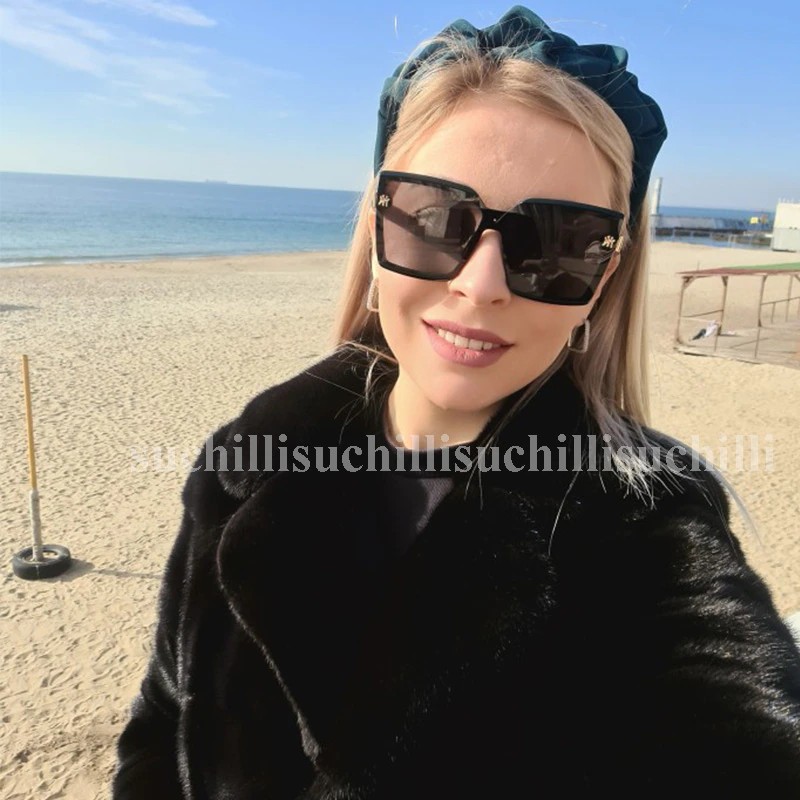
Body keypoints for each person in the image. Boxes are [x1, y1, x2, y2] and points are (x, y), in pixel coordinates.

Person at [113, 6, 800, 798]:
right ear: (378, 231)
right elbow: (162, 721)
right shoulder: (242, 462)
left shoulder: (649, 530)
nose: (481, 284)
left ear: (603, 282)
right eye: (437, 220)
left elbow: (741, 738)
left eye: (557, 243)